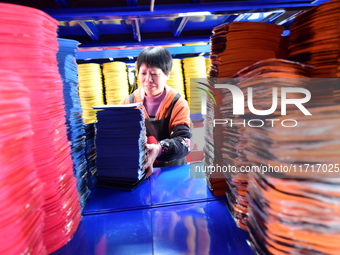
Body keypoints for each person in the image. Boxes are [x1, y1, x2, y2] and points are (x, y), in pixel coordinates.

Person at [122, 46, 192, 177]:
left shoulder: (177, 103)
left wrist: (159, 148)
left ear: (167, 74)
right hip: (141, 173)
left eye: (154, 74)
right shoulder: (129, 102)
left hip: (173, 173)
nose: (148, 79)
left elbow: (185, 141)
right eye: (143, 73)